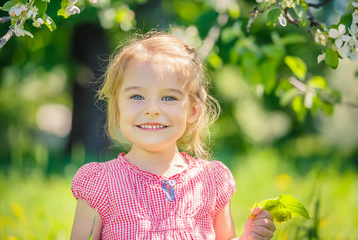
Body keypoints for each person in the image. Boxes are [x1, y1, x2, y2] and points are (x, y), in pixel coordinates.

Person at [70, 32, 276, 240]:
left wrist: (248, 238)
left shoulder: (211, 181)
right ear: (117, 109)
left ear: (192, 111)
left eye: (168, 97)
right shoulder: (101, 184)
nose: (152, 109)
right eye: (137, 96)